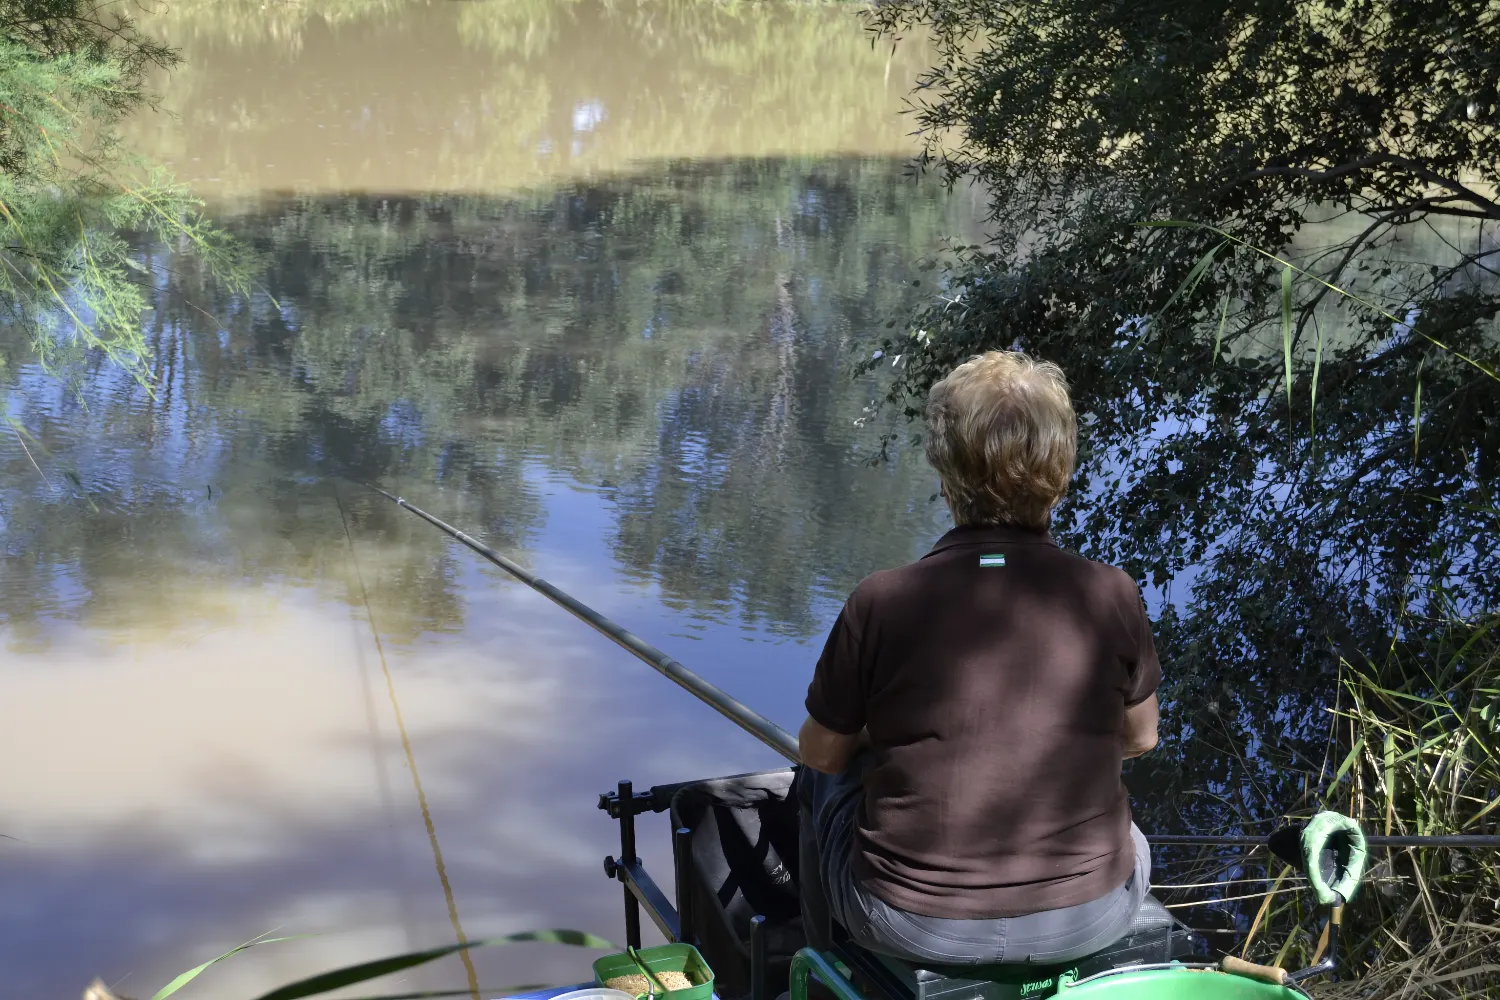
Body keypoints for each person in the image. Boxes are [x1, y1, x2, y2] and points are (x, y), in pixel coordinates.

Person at [795, 350, 1161, 967]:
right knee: (1132, 835)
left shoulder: (881, 602)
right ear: (1062, 473)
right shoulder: (1110, 595)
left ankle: (819, 965)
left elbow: (821, 751)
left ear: (945, 475)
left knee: (821, 781)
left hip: (910, 922)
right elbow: (1141, 737)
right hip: (1090, 917)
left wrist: (878, 743)